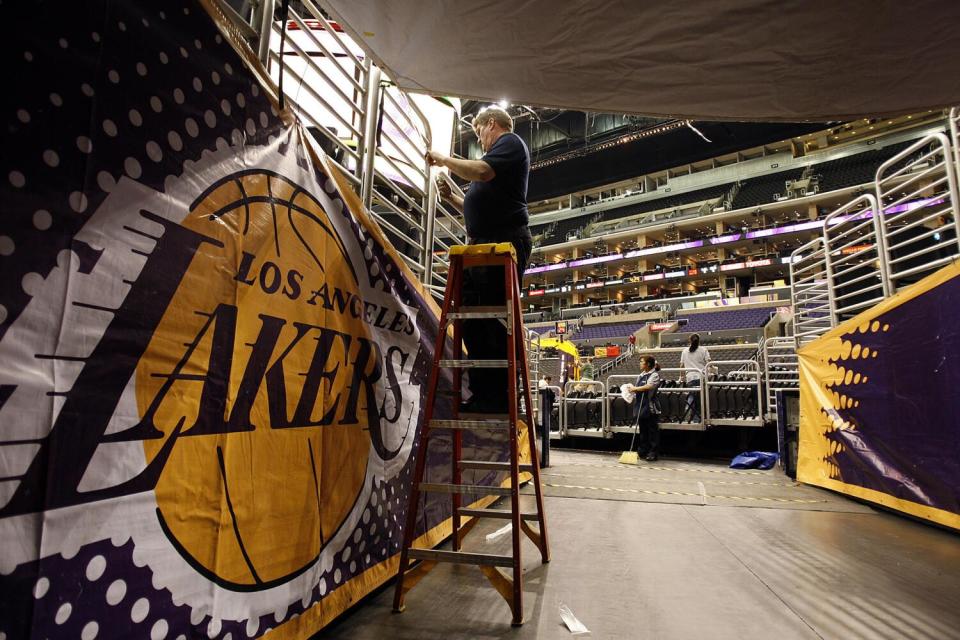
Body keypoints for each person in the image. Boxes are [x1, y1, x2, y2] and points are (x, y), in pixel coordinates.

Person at [428, 105, 532, 414]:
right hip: (484, 243)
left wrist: (444, 160)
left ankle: (499, 396)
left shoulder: (510, 142)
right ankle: (484, 393)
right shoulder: (495, 159)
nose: (480, 140)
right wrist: (453, 198)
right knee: (473, 320)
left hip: (501, 242)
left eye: (479, 133)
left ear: (490, 124)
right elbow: (481, 204)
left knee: (493, 320)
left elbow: (482, 171)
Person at [627, 356, 661, 461]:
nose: (640, 364)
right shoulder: (641, 375)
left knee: (652, 431)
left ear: (648, 364)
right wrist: (631, 390)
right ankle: (642, 451)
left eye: (642, 362)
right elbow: (637, 388)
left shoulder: (654, 375)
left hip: (651, 407)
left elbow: (649, 386)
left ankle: (653, 452)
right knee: (643, 431)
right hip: (640, 406)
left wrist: (635, 388)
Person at [679, 333, 710, 423]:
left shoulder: (684, 351)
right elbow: (709, 363)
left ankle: (688, 411)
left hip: (690, 377)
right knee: (699, 398)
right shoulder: (703, 350)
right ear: (699, 340)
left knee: (692, 395)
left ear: (690, 340)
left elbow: (681, 365)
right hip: (701, 376)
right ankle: (697, 418)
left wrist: (682, 376)